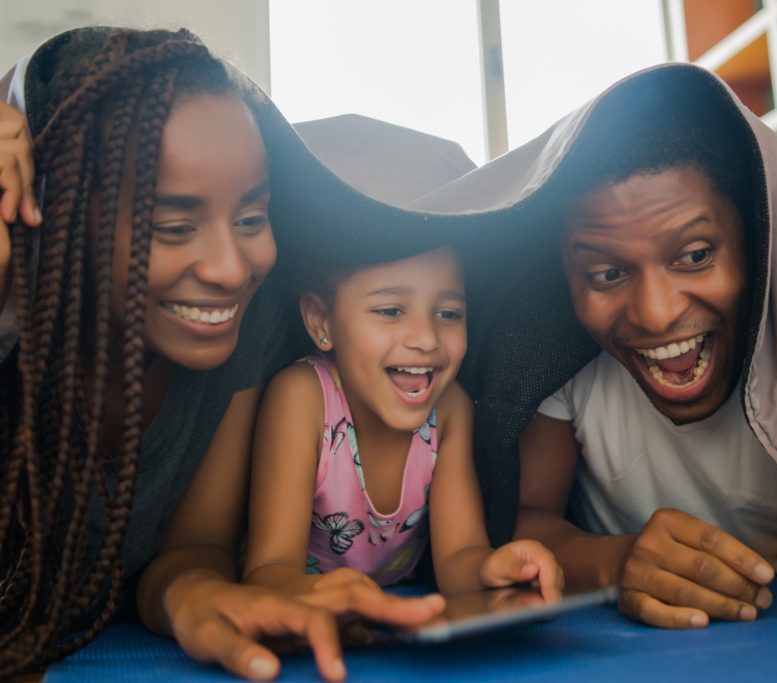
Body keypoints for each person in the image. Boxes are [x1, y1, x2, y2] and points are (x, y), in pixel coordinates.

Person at [400, 64, 777, 663]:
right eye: (607, 273)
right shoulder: (569, 371)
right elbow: (529, 517)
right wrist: (616, 560)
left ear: (757, 242)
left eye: (695, 255)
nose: (655, 313)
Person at [0, 26, 482, 681]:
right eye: (173, 227)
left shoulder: (243, 332)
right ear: (60, 221)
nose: (232, 268)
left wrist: (194, 595)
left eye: (253, 218)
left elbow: (195, 547)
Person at [243, 244, 563, 602]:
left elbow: (458, 556)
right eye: (390, 310)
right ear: (321, 320)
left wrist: (493, 571)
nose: (426, 339)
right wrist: (333, 599)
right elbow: (269, 571)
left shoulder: (450, 408)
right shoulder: (303, 397)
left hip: (393, 616)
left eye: (448, 313)